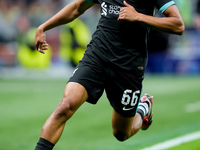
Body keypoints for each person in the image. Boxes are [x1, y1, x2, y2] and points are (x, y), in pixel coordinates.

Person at [34, 0, 184, 149]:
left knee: (121, 133)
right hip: (97, 56)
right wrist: (43, 27)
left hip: (129, 65)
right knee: (65, 106)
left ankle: (143, 108)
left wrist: (138, 16)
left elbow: (178, 25)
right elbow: (77, 8)